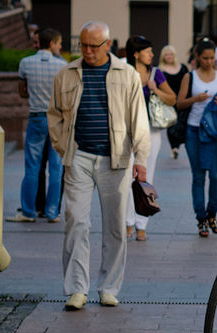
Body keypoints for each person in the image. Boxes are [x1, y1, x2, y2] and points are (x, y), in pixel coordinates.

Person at [47, 20, 150, 310]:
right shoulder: (66, 74)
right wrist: (61, 145)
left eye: (94, 46)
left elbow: (138, 120)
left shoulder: (126, 74)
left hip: (114, 158)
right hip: (77, 155)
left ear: (108, 45)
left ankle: (108, 287)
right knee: (77, 221)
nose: (88, 51)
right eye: (83, 45)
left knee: (115, 226)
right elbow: (53, 113)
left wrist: (140, 159)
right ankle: (77, 289)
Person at [176, 38, 217, 237]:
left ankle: (212, 214)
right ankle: (201, 218)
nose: (209, 61)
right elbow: (179, 103)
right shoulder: (190, 77)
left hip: (215, 133)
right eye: (205, 58)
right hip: (194, 131)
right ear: (197, 58)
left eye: (212, 58)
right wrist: (196, 99)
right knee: (199, 176)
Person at [8, 28, 67, 224]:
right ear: (51, 44)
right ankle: (52, 212)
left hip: (36, 118)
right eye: (58, 43)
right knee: (56, 168)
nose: (60, 46)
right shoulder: (62, 65)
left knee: (32, 167)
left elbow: (22, 92)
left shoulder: (25, 63)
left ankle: (28, 211)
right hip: (57, 120)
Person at [123, 35, 176, 242]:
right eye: (147, 51)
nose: (152, 55)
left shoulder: (156, 74)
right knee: (126, 179)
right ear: (136, 54)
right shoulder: (125, 73)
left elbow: (172, 99)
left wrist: (155, 89)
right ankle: (128, 222)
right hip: (126, 132)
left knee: (145, 178)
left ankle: (141, 224)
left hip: (151, 132)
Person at [158, 45, 188, 159]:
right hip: (169, 101)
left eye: (170, 54)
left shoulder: (183, 67)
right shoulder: (160, 70)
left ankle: (181, 142)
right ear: (163, 57)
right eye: (166, 54)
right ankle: (174, 147)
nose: (169, 56)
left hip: (183, 100)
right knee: (171, 124)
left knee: (183, 122)